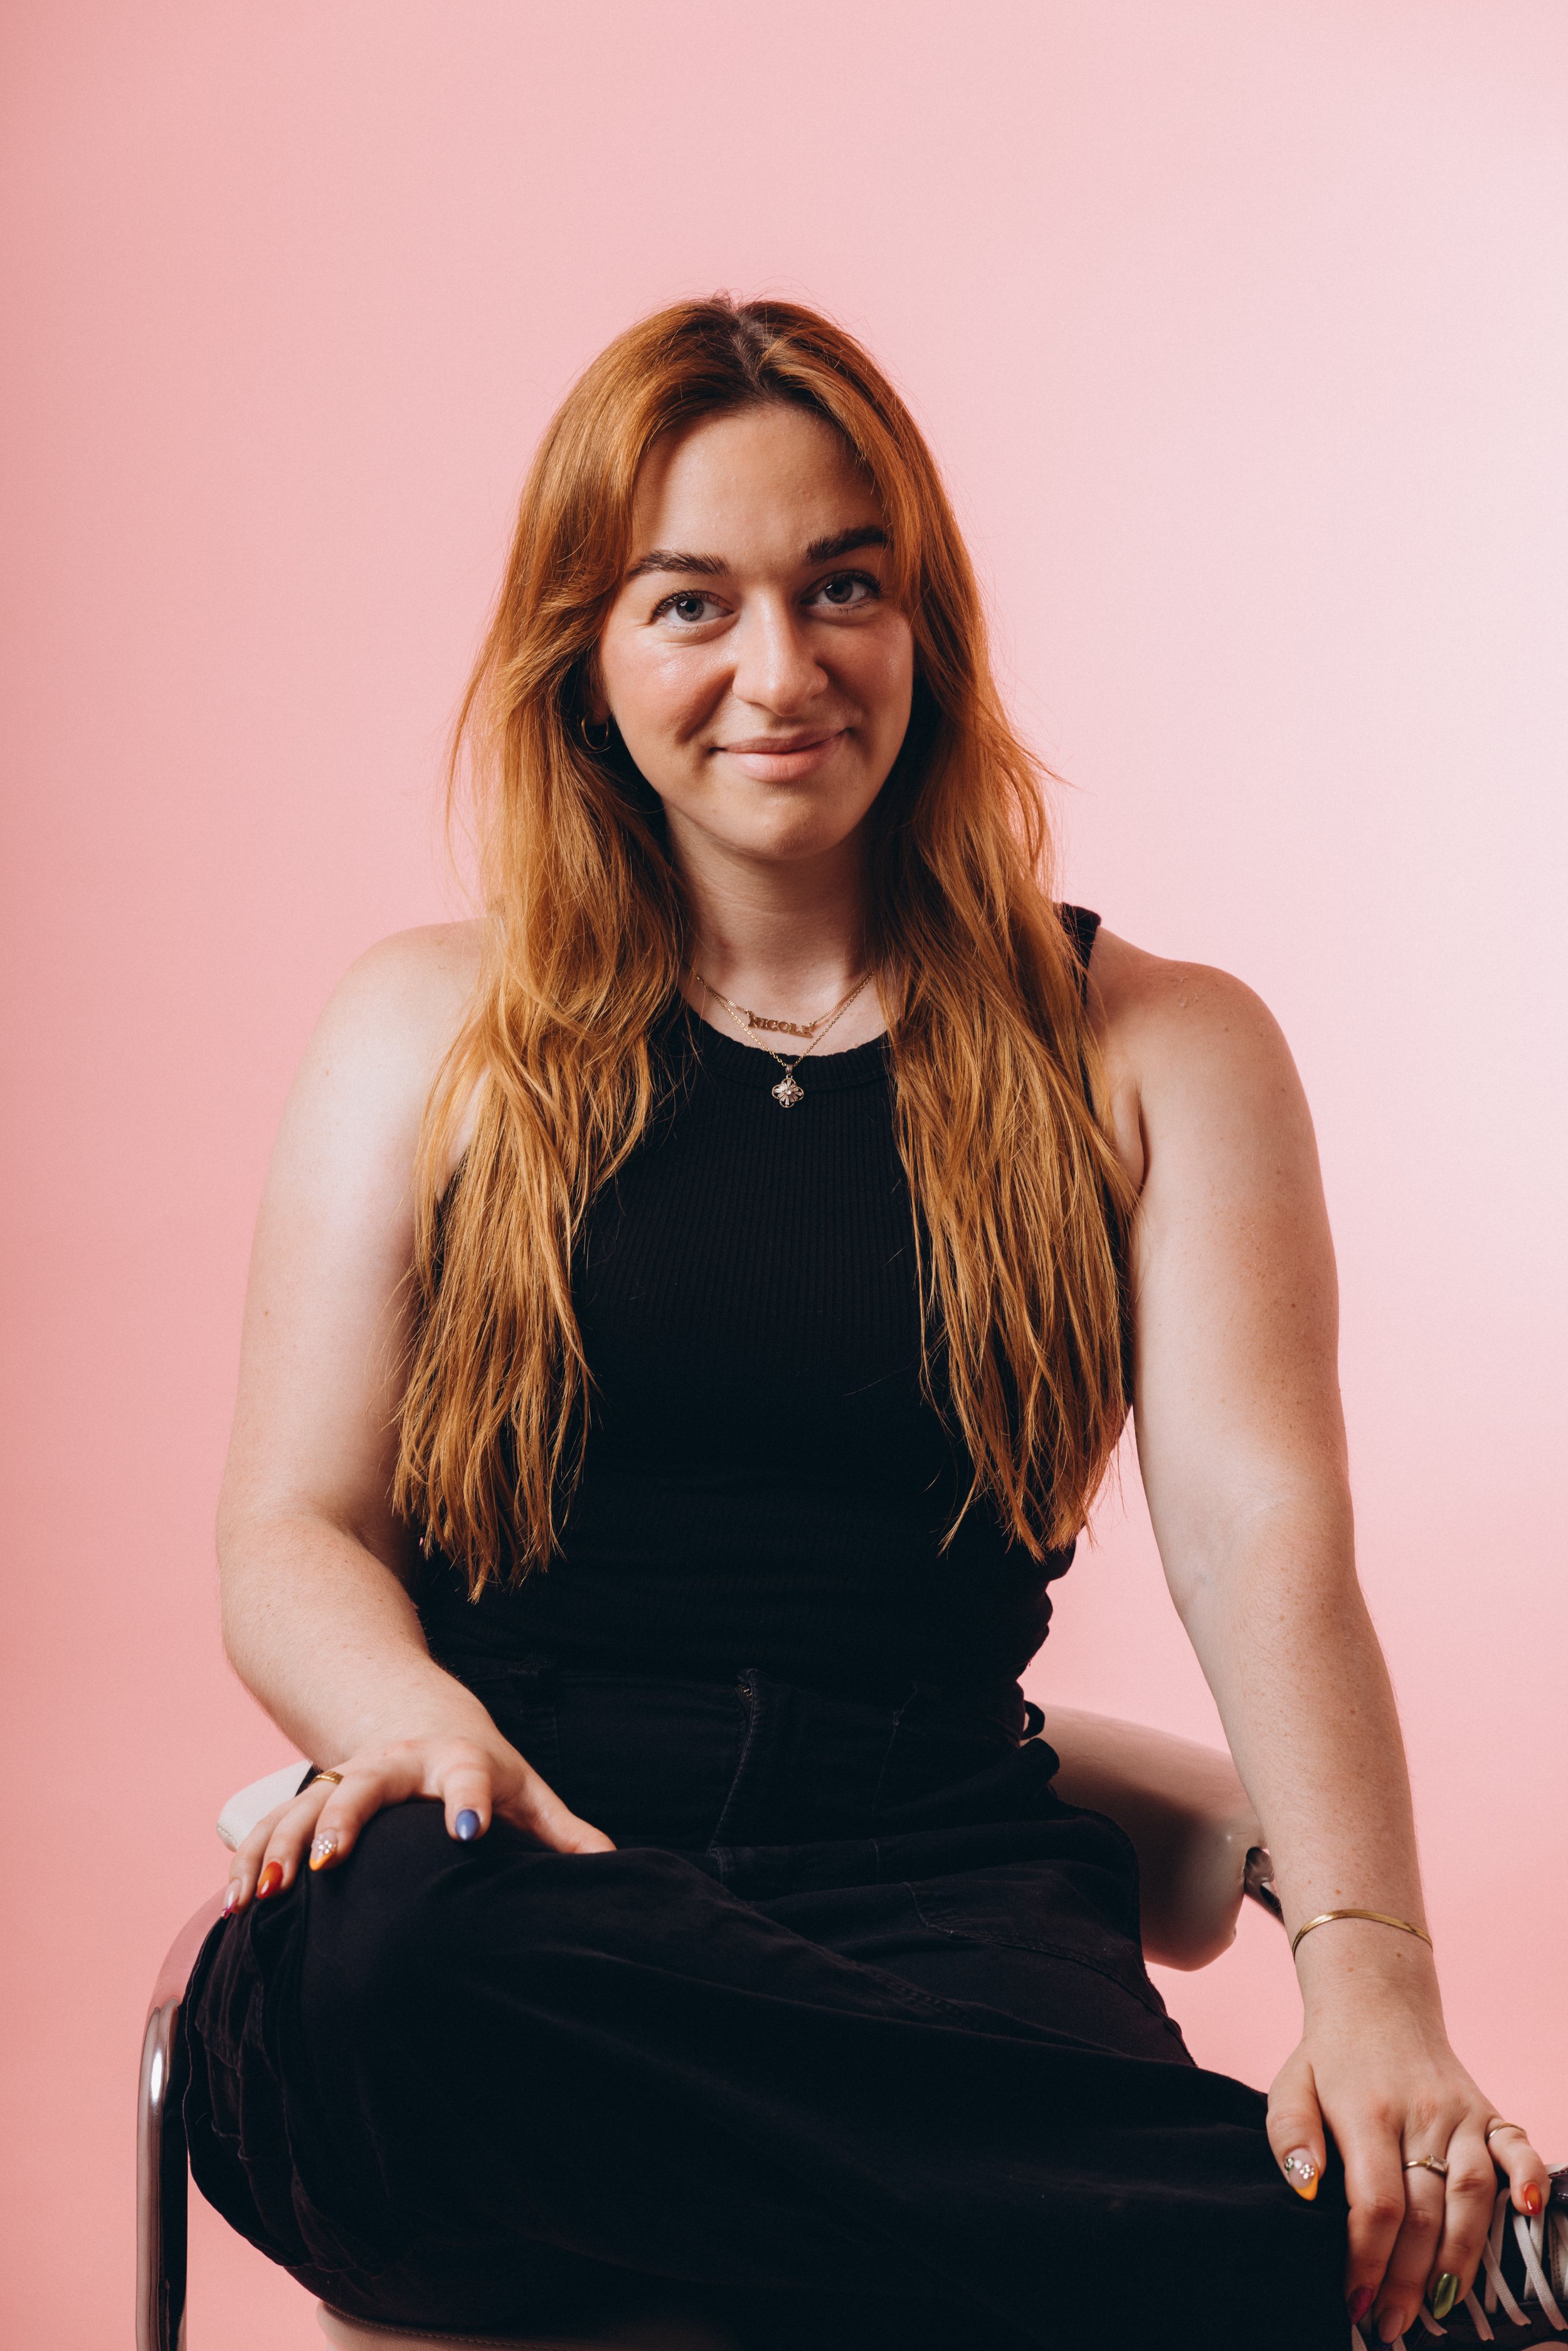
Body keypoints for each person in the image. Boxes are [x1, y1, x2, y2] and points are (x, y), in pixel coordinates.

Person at [181, 297, 1552, 2351]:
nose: (779, 669)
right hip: (513, 1875)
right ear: (584, 652)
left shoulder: (1157, 1048)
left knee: (949, 2113)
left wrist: (1371, 1983)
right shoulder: (419, 1027)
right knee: (390, 1976)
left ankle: (1179, 2222)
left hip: (938, 1893)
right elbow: (290, 1527)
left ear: (927, 625)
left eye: (842, 587)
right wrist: (408, 1726)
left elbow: (1259, 1535)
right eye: (688, 603)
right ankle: (1329, 2274)